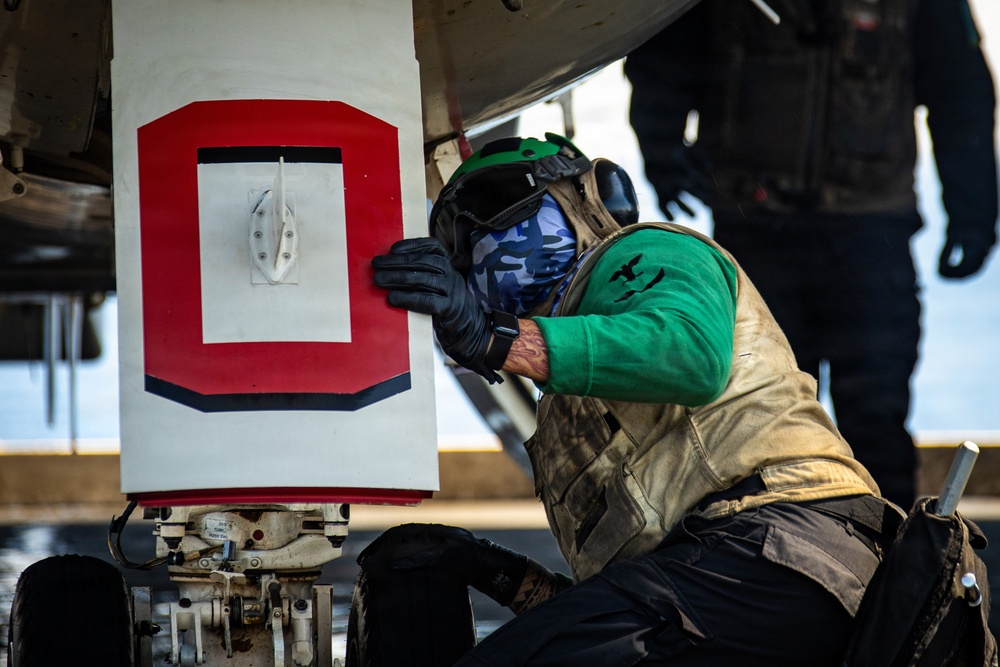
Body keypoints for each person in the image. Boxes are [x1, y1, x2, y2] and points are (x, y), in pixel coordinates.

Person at [368, 135, 902, 665]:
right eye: (453, 241)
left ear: (583, 198)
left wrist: (495, 339)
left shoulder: (643, 253)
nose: (473, 242)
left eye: (491, 205)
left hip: (785, 548)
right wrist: (493, 571)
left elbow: (690, 354)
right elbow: (628, 610)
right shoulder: (569, 395)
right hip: (734, 580)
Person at [623, 0, 999, 511]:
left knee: (876, 423)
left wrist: (974, 211)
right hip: (756, 237)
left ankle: (894, 574)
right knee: (757, 425)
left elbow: (961, 92)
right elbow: (663, 60)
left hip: (871, 239)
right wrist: (661, 150)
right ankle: (776, 574)